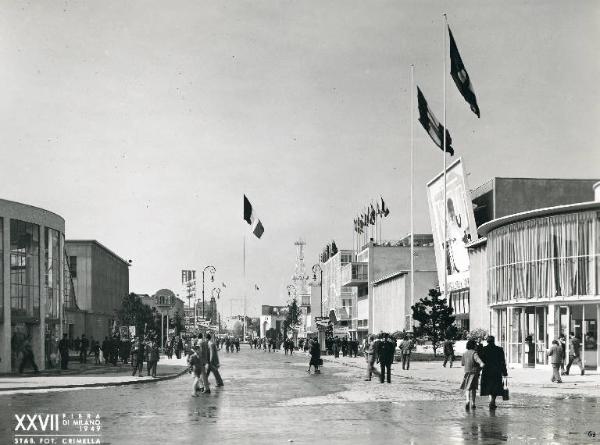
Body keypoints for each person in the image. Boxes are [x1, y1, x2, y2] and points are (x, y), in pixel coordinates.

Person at [480, 336, 508, 410]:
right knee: (495, 386)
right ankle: (493, 401)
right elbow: (502, 362)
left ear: (487, 341)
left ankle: (491, 401)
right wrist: (504, 372)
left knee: (489, 386)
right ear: (494, 341)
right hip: (496, 370)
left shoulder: (484, 349)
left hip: (487, 370)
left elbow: (481, 360)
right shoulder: (499, 349)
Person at [460, 339, 485, 411]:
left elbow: (462, 364)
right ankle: (473, 403)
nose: (476, 346)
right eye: (475, 345)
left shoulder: (464, 353)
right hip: (474, 373)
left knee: (467, 388)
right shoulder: (474, 353)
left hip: (467, 373)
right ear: (473, 346)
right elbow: (479, 361)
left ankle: (467, 400)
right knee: (473, 389)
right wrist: (481, 364)